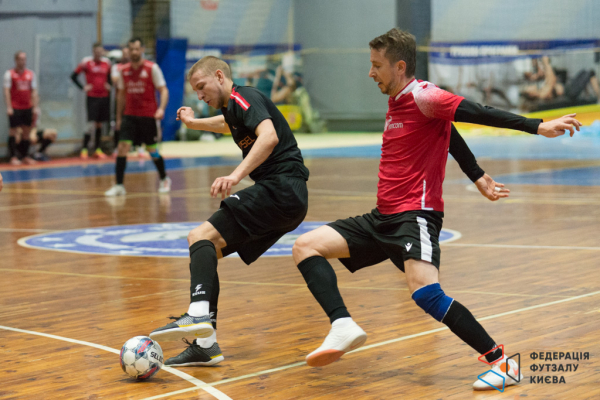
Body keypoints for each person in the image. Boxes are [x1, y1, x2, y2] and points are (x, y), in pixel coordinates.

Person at [291, 28, 581, 391]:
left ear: (399, 66)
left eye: (376, 65)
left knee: (427, 294)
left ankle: (502, 363)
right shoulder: (399, 100)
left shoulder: (425, 95)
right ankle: (342, 324)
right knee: (306, 246)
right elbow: (448, 133)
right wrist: (476, 174)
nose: (370, 72)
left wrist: (537, 126)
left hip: (415, 216)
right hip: (382, 217)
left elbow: (478, 112)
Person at [148, 56, 311, 367]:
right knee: (207, 251)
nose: (199, 95)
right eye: (195, 91)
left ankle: (197, 314)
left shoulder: (243, 96)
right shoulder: (234, 108)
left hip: (281, 188)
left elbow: (269, 136)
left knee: (200, 236)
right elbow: (228, 125)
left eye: (202, 86)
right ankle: (205, 346)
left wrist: (235, 176)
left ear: (220, 76)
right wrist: (195, 123)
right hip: (288, 197)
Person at [104, 37, 170, 196]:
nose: (134, 52)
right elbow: (121, 95)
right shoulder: (123, 70)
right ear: (128, 50)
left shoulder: (152, 68)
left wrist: (161, 109)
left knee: (152, 150)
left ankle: (164, 178)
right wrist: (118, 118)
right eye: (131, 49)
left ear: (142, 50)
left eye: (137, 49)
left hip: (148, 116)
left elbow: (164, 90)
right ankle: (119, 185)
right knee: (122, 148)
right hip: (129, 116)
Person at [71, 42, 112, 159]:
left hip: (104, 96)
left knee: (99, 124)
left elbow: (110, 77)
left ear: (102, 52)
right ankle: (84, 149)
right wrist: (83, 87)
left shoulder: (107, 63)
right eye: (96, 51)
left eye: (100, 51)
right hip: (92, 97)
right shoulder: (87, 62)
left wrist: (109, 85)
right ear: (93, 52)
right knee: (90, 124)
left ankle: (97, 149)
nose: (98, 53)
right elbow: (73, 76)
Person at [3, 51, 38, 165]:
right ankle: (13, 156)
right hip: (15, 107)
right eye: (21, 59)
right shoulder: (10, 74)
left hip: (27, 107)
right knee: (13, 131)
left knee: (26, 132)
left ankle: (25, 156)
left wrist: (35, 107)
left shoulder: (30, 74)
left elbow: (34, 91)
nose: (23, 61)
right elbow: (6, 91)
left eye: (24, 59)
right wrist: (9, 107)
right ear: (16, 60)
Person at [110, 45, 130, 150]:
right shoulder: (116, 67)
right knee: (117, 122)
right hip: (119, 98)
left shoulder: (133, 67)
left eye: (127, 53)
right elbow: (115, 80)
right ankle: (116, 146)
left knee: (131, 122)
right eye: (124, 54)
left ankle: (134, 145)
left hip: (131, 99)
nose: (125, 56)